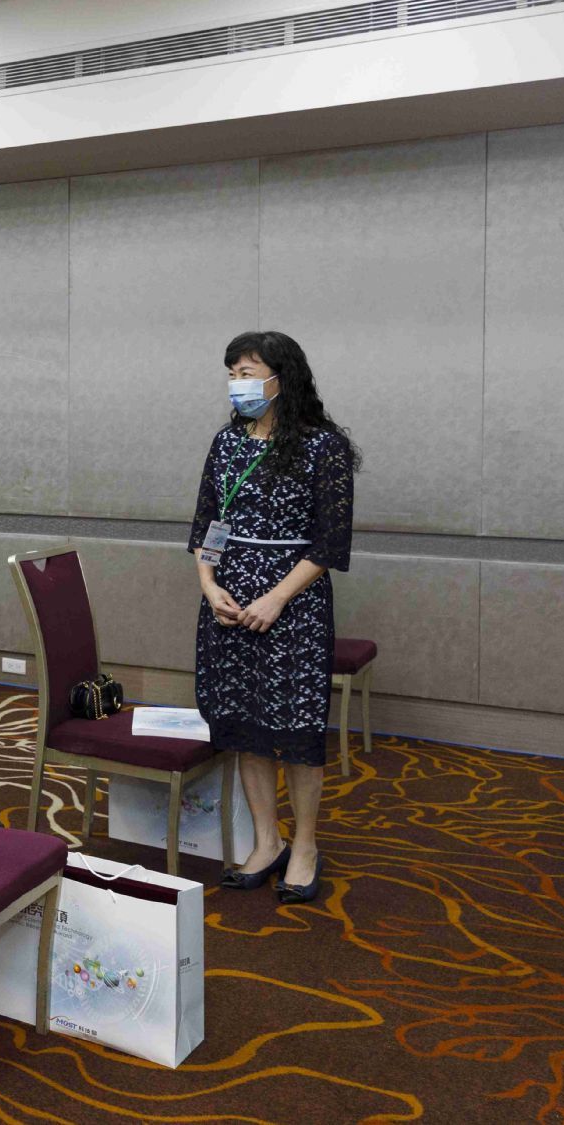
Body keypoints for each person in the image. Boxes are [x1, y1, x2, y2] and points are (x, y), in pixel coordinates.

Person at [189, 329, 356, 905]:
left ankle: (304, 846)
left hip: (294, 606)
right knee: (245, 726)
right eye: (231, 374)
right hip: (229, 604)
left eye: (248, 373)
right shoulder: (227, 442)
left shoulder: (323, 446)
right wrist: (209, 585)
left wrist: (278, 597)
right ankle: (268, 840)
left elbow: (331, 542)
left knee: (297, 730)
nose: (237, 384)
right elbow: (208, 524)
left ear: (283, 378)